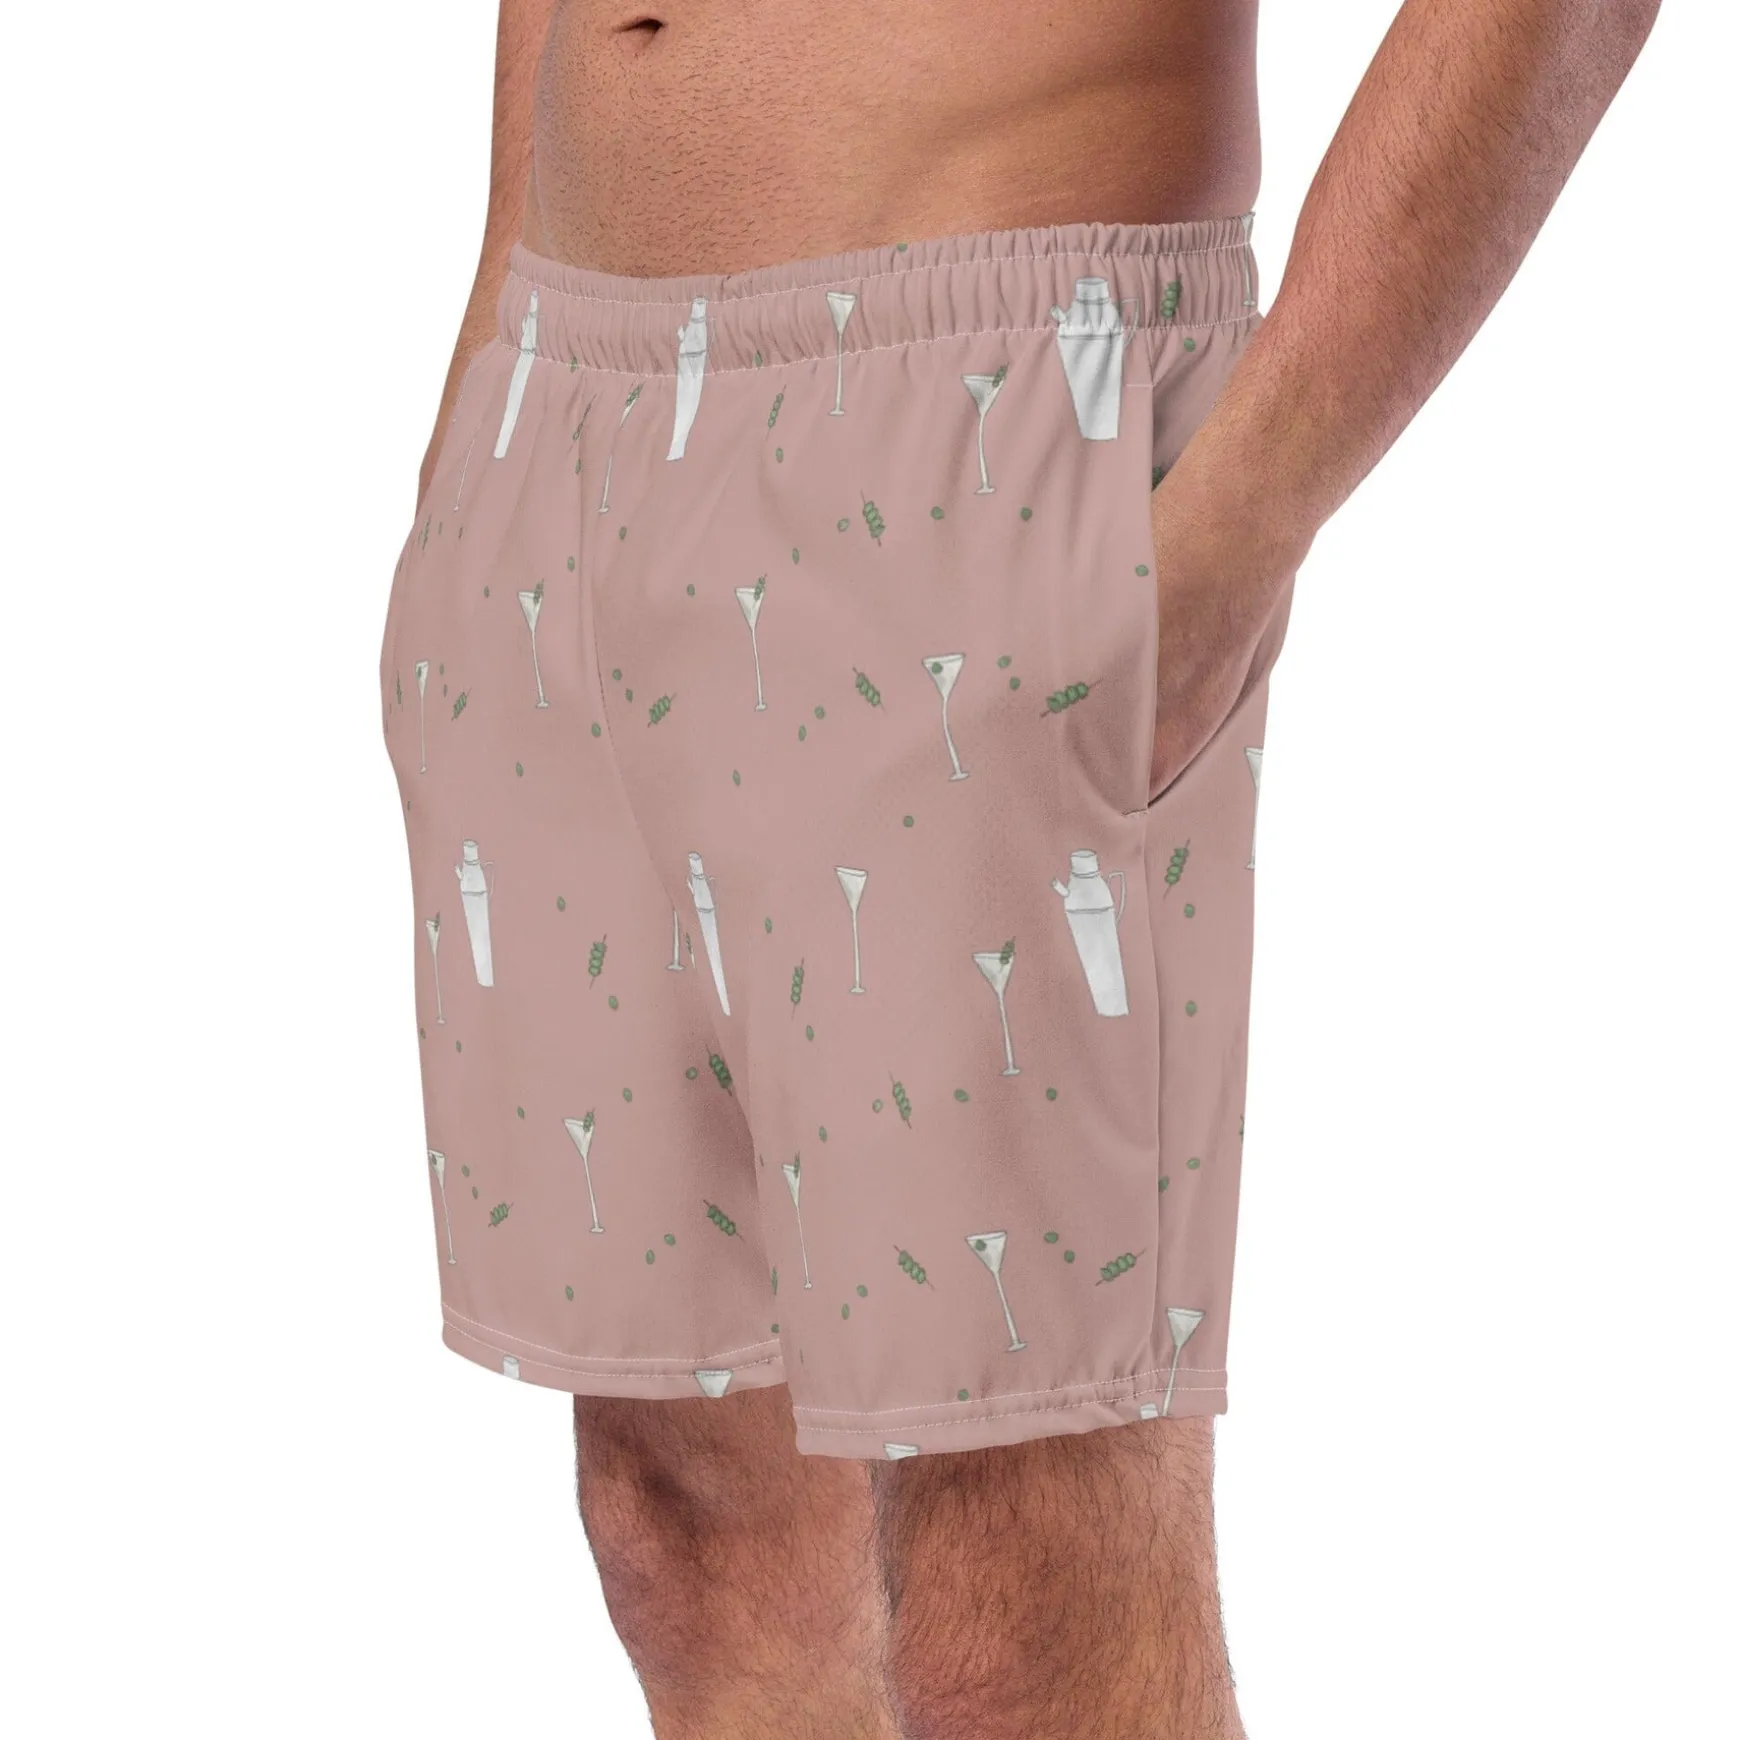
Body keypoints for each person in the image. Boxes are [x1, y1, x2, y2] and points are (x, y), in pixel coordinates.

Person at [376, 3, 1659, 1733]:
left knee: (1018, 1604)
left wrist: (1239, 528)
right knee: (680, 1529)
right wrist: (488, 375)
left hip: (977, 402)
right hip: (562, 417)